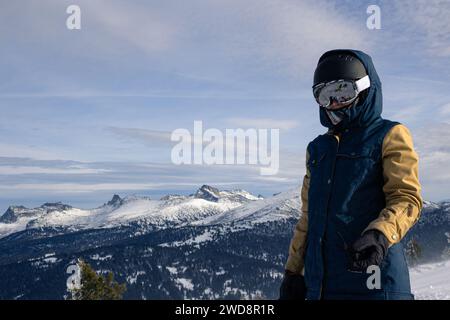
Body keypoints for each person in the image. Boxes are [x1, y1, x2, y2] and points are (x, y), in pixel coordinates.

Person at [279, 49, 423, 300]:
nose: (334, 103)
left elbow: (406, 198)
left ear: (365, 88)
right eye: (325, 96)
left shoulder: (389, 135)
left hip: (374, 280)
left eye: (343, 91)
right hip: (320, 287)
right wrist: (293, 272)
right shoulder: (317, 148)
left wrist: (380, 233)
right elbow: (308, 219)